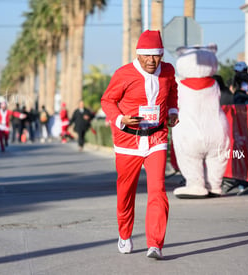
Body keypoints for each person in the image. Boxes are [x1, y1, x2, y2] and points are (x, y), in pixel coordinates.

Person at [101, 30, 179, 260]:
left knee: (158, 190)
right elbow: (108, 100)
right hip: (128, 140)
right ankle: (125, 234)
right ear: (138, 54)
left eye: (156, 55)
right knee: (126, 193)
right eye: (146, 55)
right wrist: (119, 119)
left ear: (162, 54)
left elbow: (173, 91)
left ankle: (155, 243)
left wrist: (173, 111)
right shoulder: (124, 74)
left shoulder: (168, 71)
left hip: (156, 137)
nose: (151, 61)